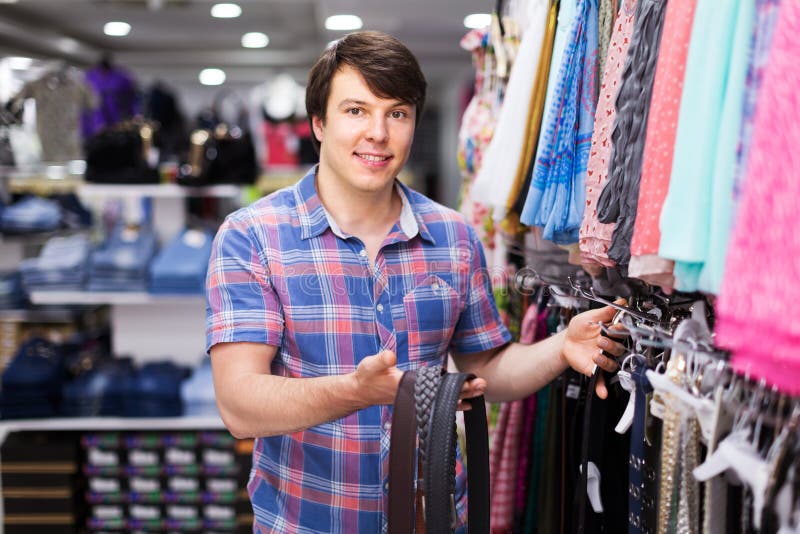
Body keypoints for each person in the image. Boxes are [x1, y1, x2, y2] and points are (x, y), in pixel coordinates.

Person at [206, 31, 626, 533]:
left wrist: (561, 347)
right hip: (306, 522)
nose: (378, 133)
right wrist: (356, 391)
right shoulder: (252, 236)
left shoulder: (451, 236)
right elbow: (239, 404)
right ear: (318, 123)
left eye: (397, 113)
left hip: (433, 519)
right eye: (356, 111)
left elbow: (488, 365)